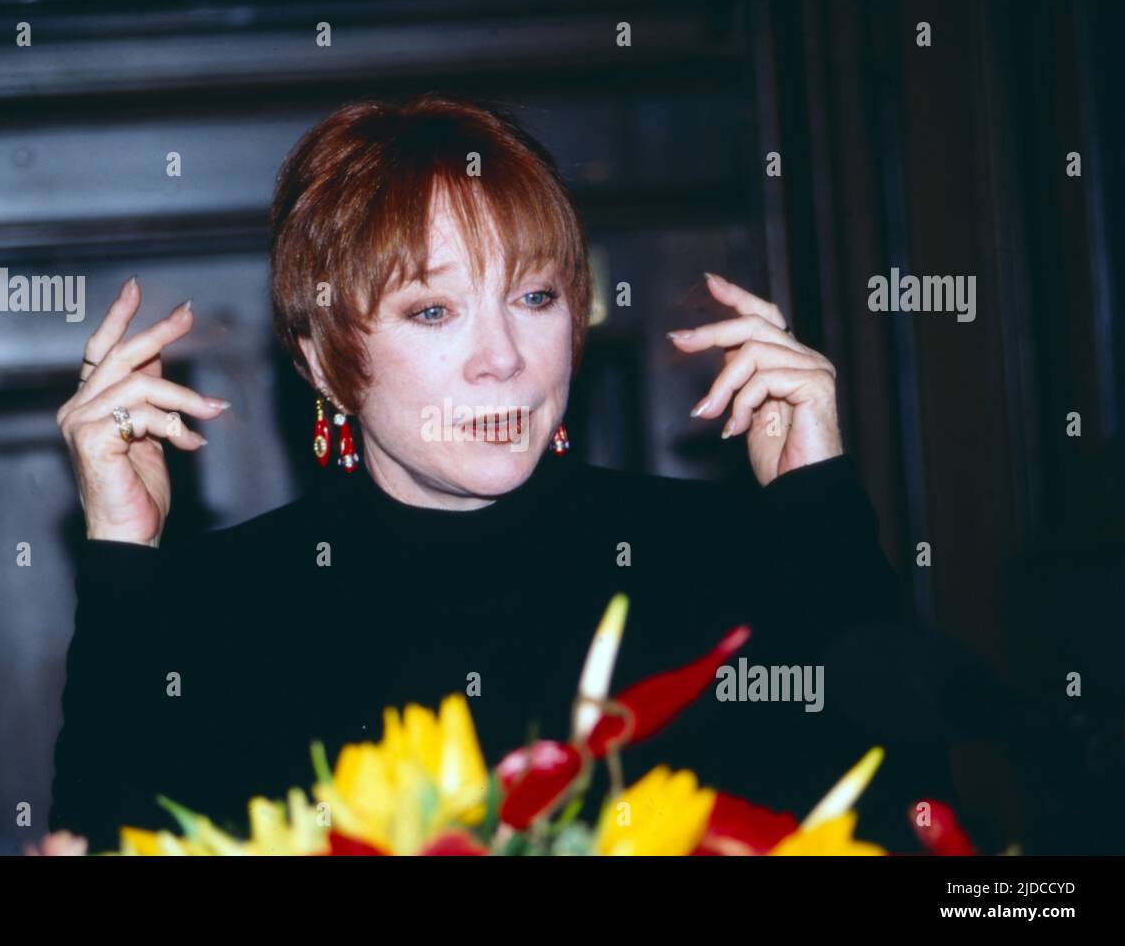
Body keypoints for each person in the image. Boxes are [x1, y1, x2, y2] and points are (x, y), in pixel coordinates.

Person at [48, 92, 932, 854]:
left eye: (535, 297)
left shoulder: (721, 556)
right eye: (432, 309)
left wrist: (820, 513)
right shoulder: (218, 607)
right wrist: (124, 556)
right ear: (322, 361)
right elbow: (96, 838)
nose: (502, 358)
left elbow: (925, 826)